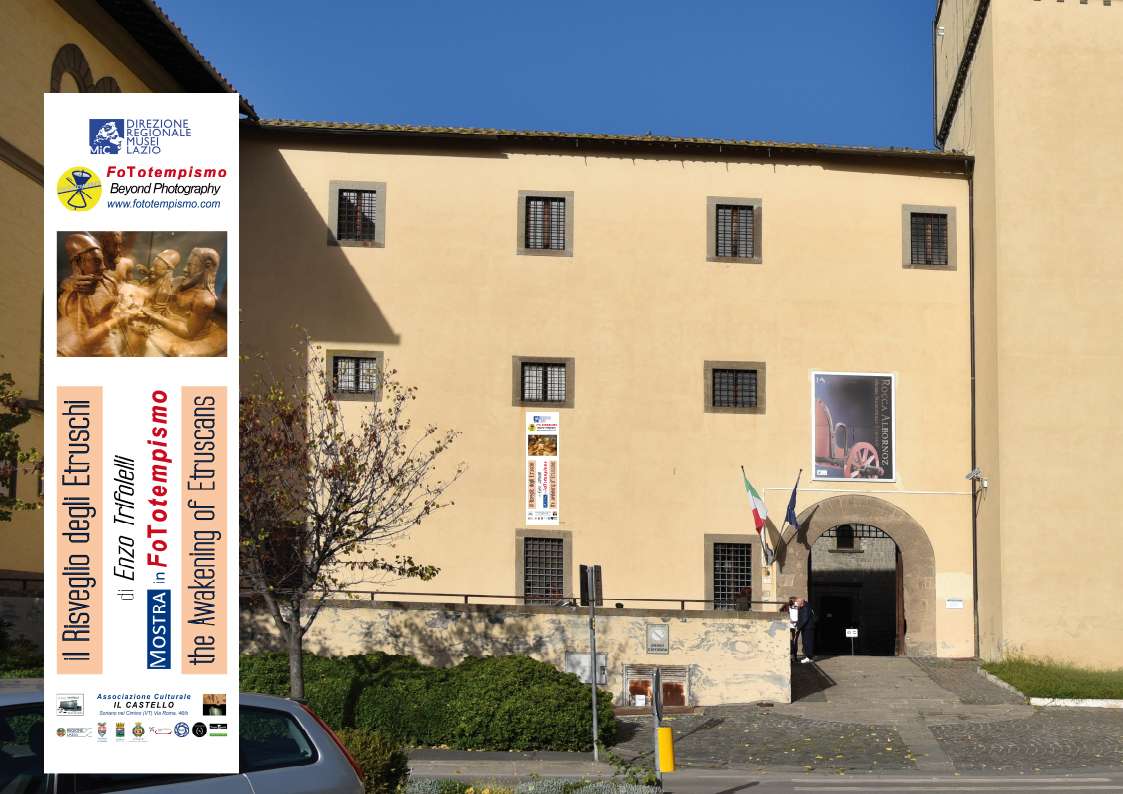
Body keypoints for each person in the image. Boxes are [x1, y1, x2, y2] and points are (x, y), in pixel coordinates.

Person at [793, 596, 816, 664]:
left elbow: (804, 619)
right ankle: (808, 657)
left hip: (808, 628)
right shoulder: (805, 606)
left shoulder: (805, 608)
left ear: (801, 602)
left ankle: (809, 657)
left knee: (807, 642)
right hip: (806, 628)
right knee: (806, 642)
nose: (796, 604)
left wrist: (798, 627)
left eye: (797, 602)